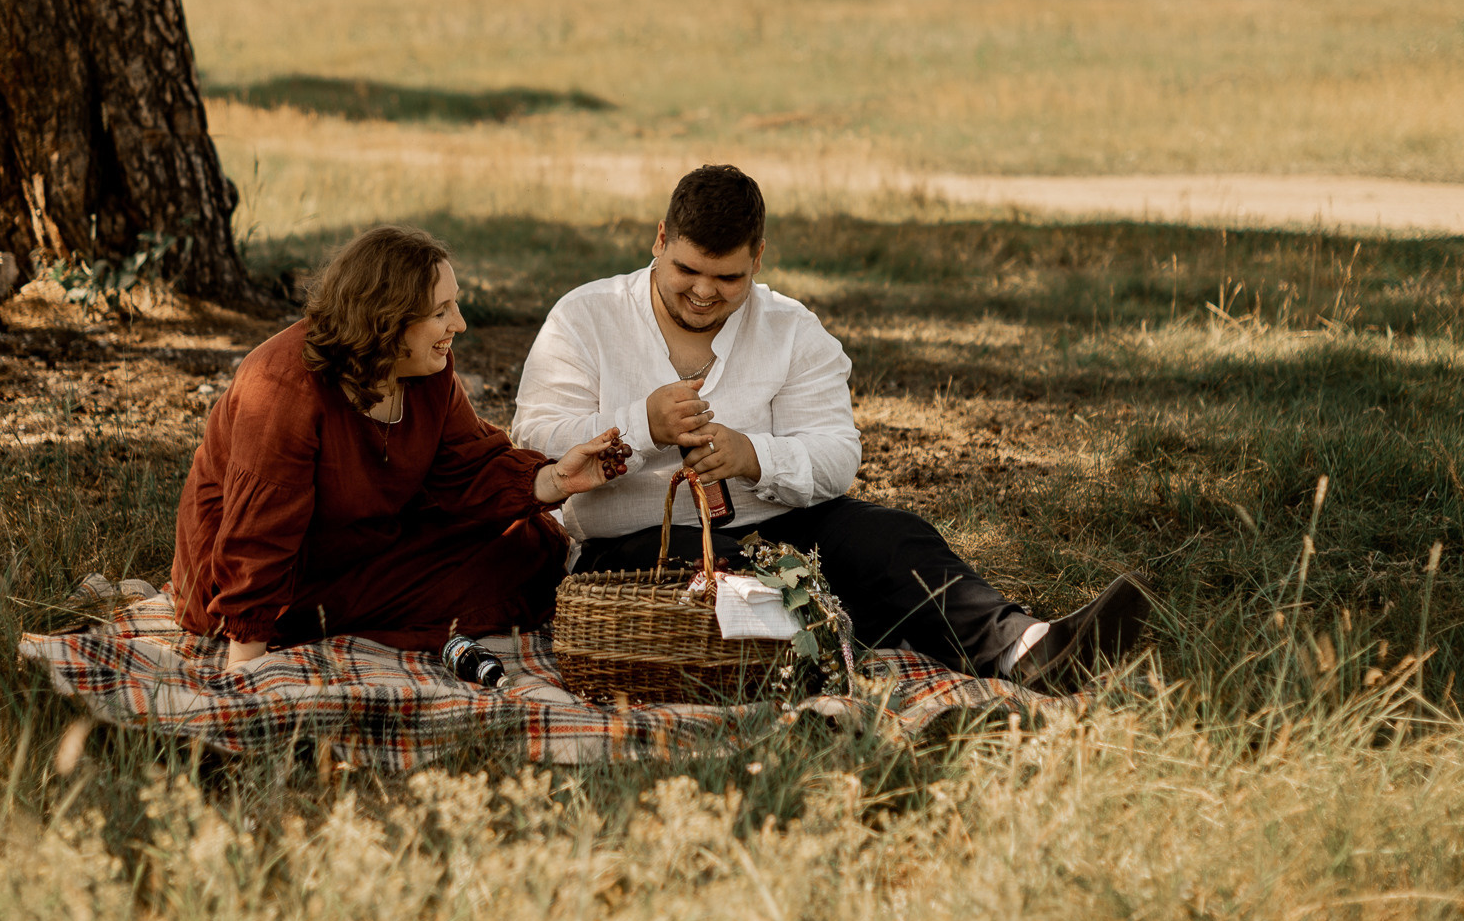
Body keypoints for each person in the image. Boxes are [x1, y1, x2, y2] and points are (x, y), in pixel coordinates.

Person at [510, 164, 1147, 690]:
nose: (704, 292)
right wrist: (640, 424)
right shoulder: (586, 318)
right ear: (658, 241)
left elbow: (837, 456)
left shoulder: (792, 329)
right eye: (687, 272)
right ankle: (841, 642)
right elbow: (530, 444)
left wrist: (752, 455)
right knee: (767, 577)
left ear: (758, 257)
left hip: (774, 524)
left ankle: (1029, 649)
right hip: (636, 549)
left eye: (729, 277)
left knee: (891, 539)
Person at [171, 224, 624, 671]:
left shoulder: (429, 370)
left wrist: (559, 478)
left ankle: (368, 614)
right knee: (505, 569)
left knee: (531, 546)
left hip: (362, 543)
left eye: (456, 303)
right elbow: (259, 531)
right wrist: (247, 655)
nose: (459, 324)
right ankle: (315, 626)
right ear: (387, 321)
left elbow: (467, 466)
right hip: (261, 577)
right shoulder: (281, 385)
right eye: (441, 311)